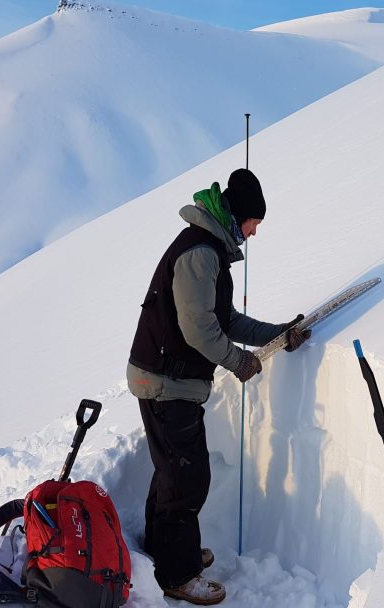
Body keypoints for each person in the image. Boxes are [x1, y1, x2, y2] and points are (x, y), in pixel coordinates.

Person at [127, 168, 310, 605]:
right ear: (238, 217)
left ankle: (164, 549)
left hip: (165, 377)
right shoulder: (201, 254)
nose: (254, 233)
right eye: (254, 224)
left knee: (174, 471)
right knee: (187, 479)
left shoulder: (209, 249)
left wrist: (277, 334)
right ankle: (177, 574)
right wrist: (237, 361)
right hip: (166, 382)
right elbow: (199, 331)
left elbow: (225, 320)